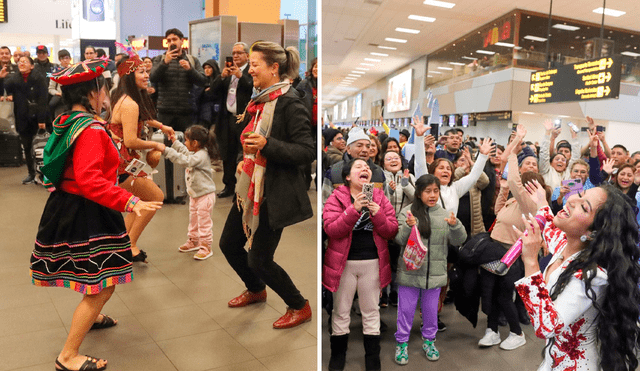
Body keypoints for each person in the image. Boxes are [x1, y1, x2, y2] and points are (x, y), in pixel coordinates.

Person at [30, 58, 161, 371]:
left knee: (91, 274)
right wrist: (130, 201)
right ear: (92, 92)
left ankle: (94, 316)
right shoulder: (89, 129)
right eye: (103, 87)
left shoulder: (66, 121)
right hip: (87, 211)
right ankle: (68, 355)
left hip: (67, 206)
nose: (106, 93)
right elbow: (90, 181)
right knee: (103, 285)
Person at [218, 42, 314, 329]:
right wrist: (244, 159)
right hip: (249, 187)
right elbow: (248, 136)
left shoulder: (290, 102)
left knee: (260, 259)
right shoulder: (259, 99)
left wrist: (267, 145)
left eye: (255, 64)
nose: (250, 70)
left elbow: (306, 151)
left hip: (274, 192)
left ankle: (299, 305)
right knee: (229, 244)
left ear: (274, 68)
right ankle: (256, 289)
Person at [515, 181, 640, 371]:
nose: (572, 199)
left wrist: (531, 261)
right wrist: (541, 202)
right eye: (581, 195)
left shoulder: (592, 275)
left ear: (592, 233)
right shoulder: (565, 245)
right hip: (553, 360)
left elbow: (547, 327)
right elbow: (549, 225)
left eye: (584, 206)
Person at [324, 158, 398, 371]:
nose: (365, 169)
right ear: (347, 176)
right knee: (341, 311)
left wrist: (378, 214)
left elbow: (391, 230)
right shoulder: (336, 198)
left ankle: (372, 358)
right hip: (343, 264)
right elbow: (332, 229)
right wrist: (353, 209)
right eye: (358, 166)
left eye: (367, 168)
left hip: (373, 263)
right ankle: (337, 356)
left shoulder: (380, 197)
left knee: (371, 311)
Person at [394, 174, 467, 365]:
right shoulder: (407, 213)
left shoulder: (444, 214)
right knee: (406, 311)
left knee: (431, 313)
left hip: (435, 275)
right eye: (428, 191)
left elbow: (459, 240)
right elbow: (399, 240)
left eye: (435, 191)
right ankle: (401, 343)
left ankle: (429, 341)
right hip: (410, 273)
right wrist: (409, 228)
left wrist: (455, 225)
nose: (432, 195)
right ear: (418, 193)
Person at [109, 52, 175, 262]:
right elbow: (130, 141)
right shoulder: (130, 104)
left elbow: (144, 119)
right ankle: (131, 245)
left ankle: (122, 244)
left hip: (121, 162)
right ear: (129, 75)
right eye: (141, 72)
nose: (147, 75)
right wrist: (157, 144)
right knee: (155, 198)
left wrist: (162, 126)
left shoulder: (124, 98)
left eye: (147, 71)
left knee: (137, 202)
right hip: (123, 164)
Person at [163, 125, 219, 260]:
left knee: (204, 222)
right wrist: (174, 142)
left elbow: (186, 160)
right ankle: (194, 241)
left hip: (205, 196)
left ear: (195, 143)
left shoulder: (202, 155)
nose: (185, 143)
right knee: (193, 220)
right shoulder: (196, 152)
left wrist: (166, 150)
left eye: (186, 141)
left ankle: (206, 247)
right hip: (195, 195)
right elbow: (186, 153)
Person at [212, 41, 253, 198]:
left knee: (245, 154)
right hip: (227, 118)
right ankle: (229, 185)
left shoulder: (250, 71)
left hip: (244, 119)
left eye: (239, 53)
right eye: (234, 53)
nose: (235, 56)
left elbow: (253, 89)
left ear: (247, 56)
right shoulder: (227, 73)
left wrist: (240, 76)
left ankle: (245, 188)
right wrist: (222, 76)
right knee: (227, 154)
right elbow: (213, 92)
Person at [150, 28, 207, 133]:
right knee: (166, 145)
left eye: (174, 39)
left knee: (187, 145)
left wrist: (190, 70)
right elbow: (152, 78)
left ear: (181, 41)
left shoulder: (192, 60)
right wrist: (165, 63)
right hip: (165, 112)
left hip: (187, 113)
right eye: (169, 40)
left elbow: (203, 81)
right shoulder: (159, 59)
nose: (172, 42)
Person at [3, 56, 48, 184]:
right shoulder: (14, 79)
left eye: (25, 61)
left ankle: (45, 173)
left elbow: (43, 99)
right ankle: (31, 173)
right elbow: (3, 91)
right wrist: (1, 78)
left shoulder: (39, 78)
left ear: (32, 66)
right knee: (27, 147)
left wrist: (42, 119)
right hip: (22, 117)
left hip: (38, 117)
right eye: (20, 62)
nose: (21, 63)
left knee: (42, 146)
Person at [197, 58, 222, 128]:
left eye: (209, 67)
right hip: (205, 114)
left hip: (217, 112)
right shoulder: (202, 81)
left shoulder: (219, 80)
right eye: (205, 68)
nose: (206, 70)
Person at [48, 49, 72, 120]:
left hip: (72, 100)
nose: (65, 60)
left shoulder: (73, 69)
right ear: (59, 59)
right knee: (60, 121)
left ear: (70, 59)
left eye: (67, 58)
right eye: (62, 58)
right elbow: (50, 88)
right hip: (60, 100)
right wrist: (58, 93)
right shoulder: (56, 71)